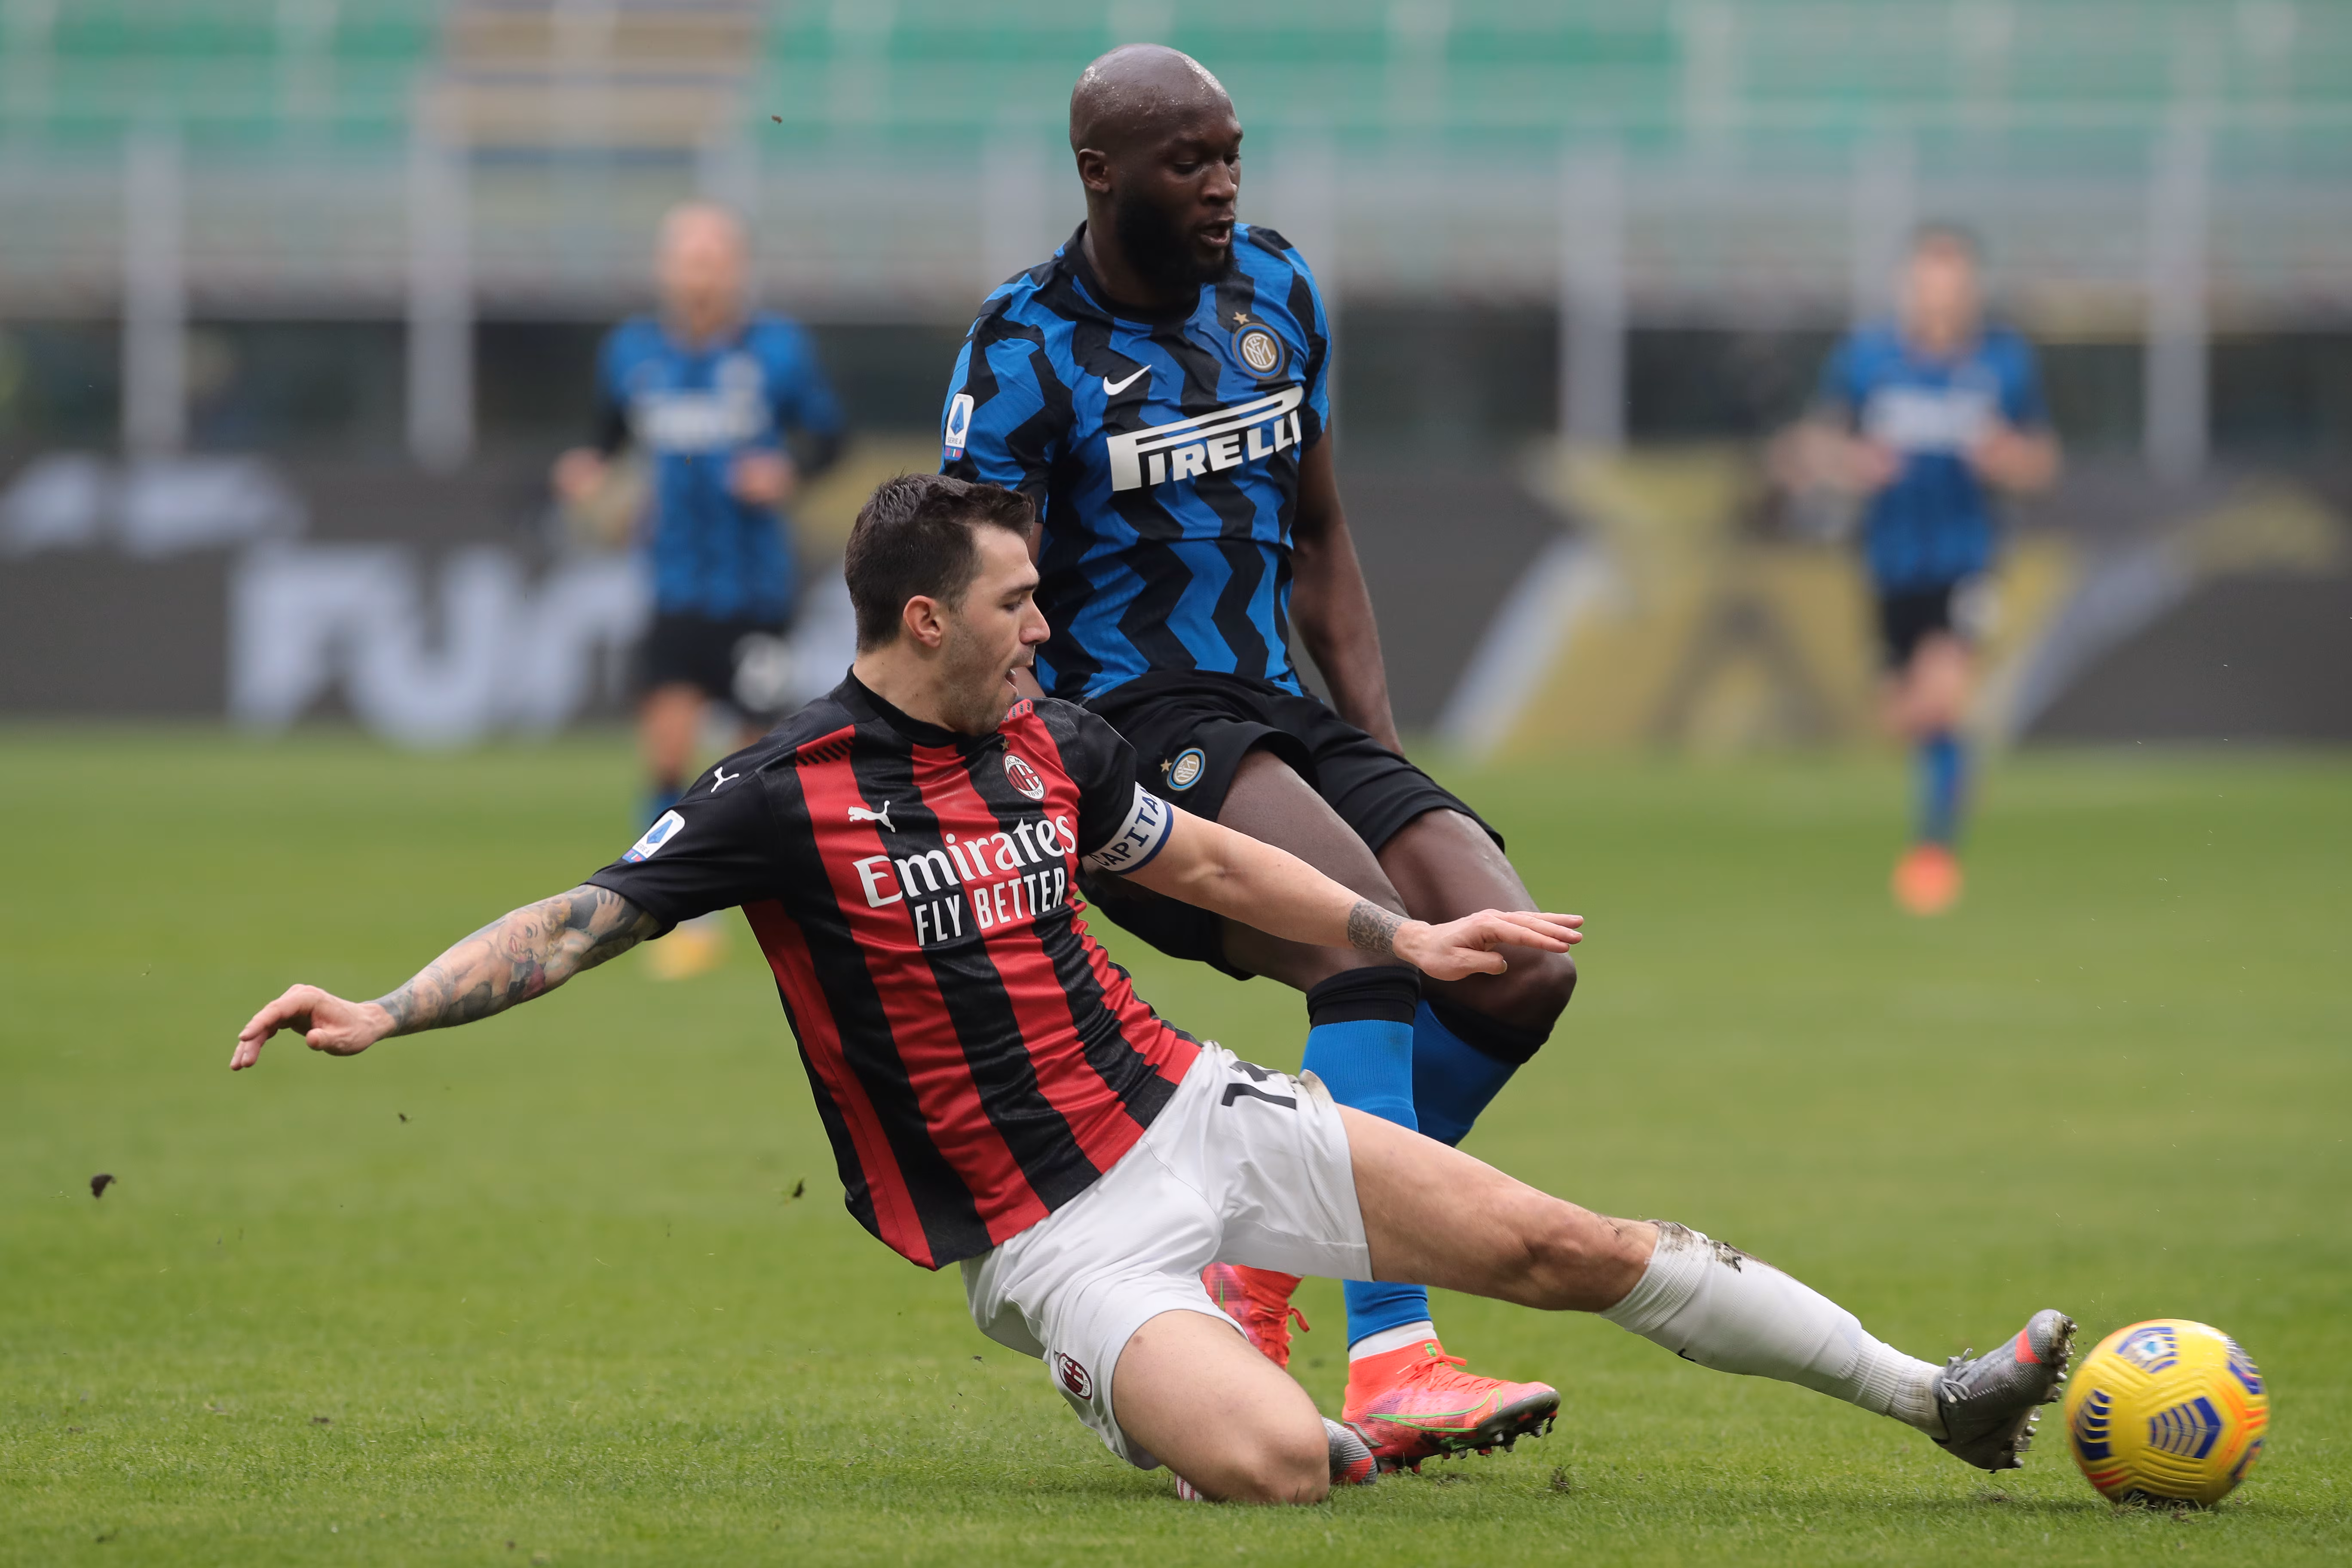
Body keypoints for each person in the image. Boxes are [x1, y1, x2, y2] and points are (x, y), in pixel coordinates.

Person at [233, 472, 2074, 1505]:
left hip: (1193, 1107)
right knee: (1285, 1466)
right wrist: (390, 1008)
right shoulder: (780, 792)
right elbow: (581, 918)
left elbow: (1205, 865)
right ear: (924, 621)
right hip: (1054, 1237)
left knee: (1560, 1244)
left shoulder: (1053, 742)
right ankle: (1155, 1375)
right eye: (1017, 604)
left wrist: (1405, 941)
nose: (1046, 626)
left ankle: (1938, 1396)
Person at [936, 44, 1575, 1465]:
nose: (1222, 184)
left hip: (1281, 710)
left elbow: (1323, 534)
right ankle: (1396, 1353)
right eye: (1188, 162)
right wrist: (1017, 791)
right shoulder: (1024, 344)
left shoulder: (1276, 289)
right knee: (1370, 947)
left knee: (1518, 963)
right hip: (1129, 731)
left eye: (1230, 154)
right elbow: (980, 594)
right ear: (1100, 173)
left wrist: (1381, 764)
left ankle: (1258, 1268)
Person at [552, 201, 847, 974]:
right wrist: (589, 473)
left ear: (737, 268)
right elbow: (606, 438)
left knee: (749, 766)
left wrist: (787, 471)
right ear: (665, 269)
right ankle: (677, 914)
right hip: (673, 585)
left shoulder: (778, 351)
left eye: (712, 258)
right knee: (667, 751)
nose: (699, 274)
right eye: (687, 258)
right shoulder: (632, 353)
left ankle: (747, 912)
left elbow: (829, 438)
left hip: (756, 589)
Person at [1773, 225, 2061, 915]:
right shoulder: (1868, 359)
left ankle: (1934, 852)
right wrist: (1851, 462)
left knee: (1941, 698)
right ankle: (1945, 787)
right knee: (1905, 717)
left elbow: (2043, 463)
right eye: (1928, 282)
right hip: (1889, 562)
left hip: (1967, 559)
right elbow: (1804, 450)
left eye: (1952, 283)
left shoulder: (2004, 362)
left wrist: (2009, 458)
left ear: (1971, 289)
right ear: (1908, 286)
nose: (1940, 297)